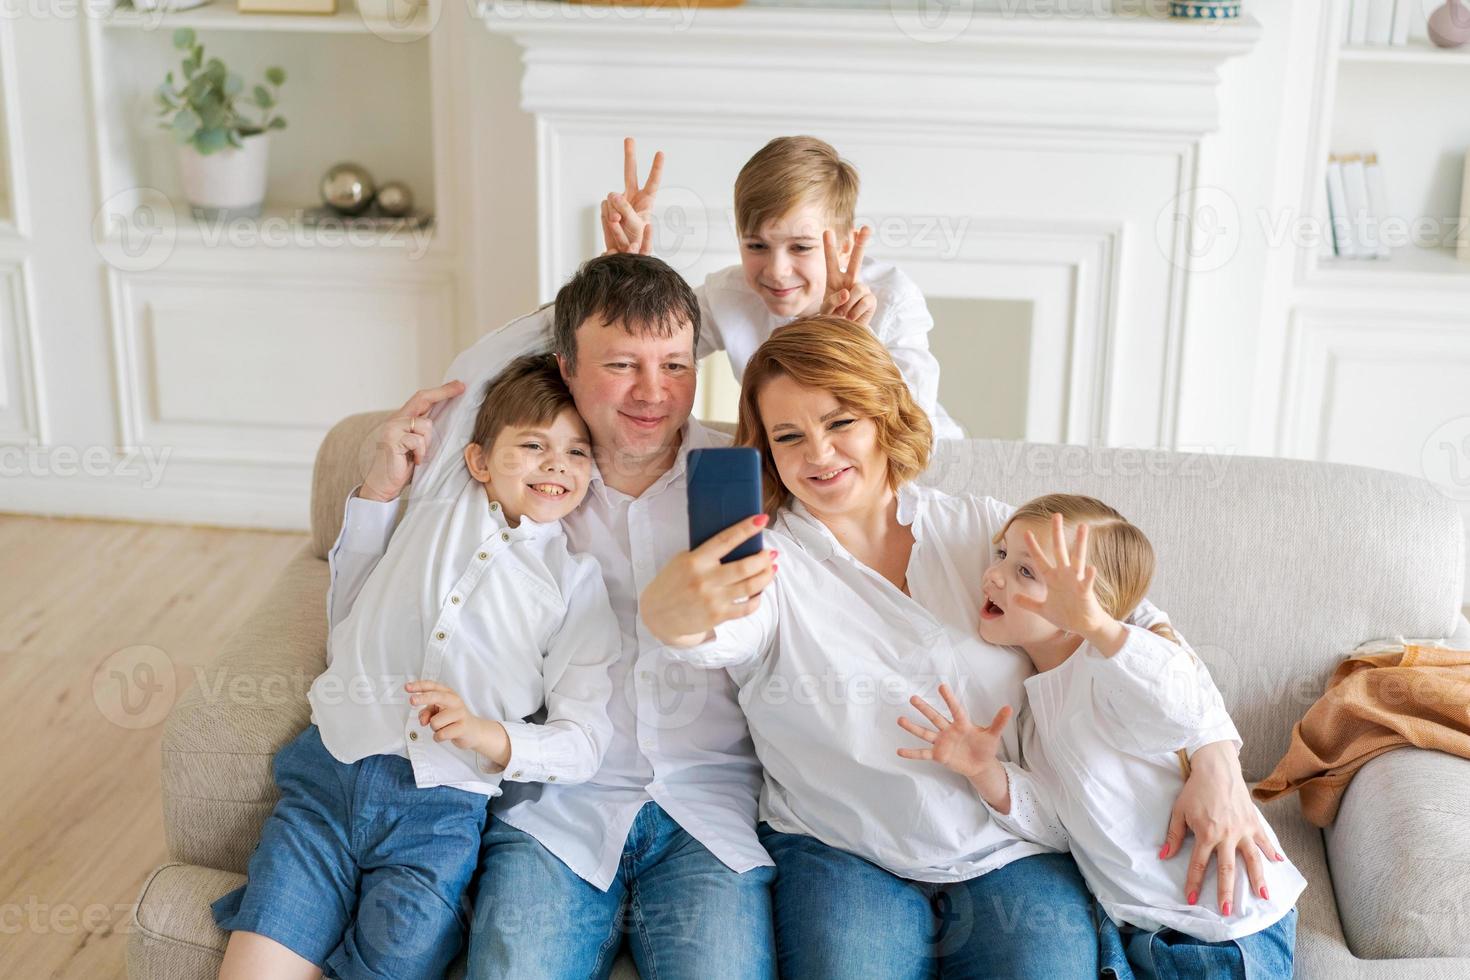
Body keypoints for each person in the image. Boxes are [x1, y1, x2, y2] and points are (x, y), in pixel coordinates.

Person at [639, 315, 1284, 979]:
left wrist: (1216, 760)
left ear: (883, 415)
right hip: (841, 848)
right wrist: (672, 617)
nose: (818, 455)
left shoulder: (979, 525)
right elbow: (718, 632)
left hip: (1005, 839)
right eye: (788, 436)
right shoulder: (770, 564)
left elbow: (1131, 617)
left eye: (839, 423)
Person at [326, 253, 779, 979]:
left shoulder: (743, 473)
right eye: (622, 364)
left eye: (675, 364)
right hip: (556, 810)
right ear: (564, 364)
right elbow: (382, 592)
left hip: (709, 808)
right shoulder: (521, 484)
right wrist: (599, 276)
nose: (653, 392)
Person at [213, 355, 619, 980]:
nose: (557, 463)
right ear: (478, 459)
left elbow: (584, 742)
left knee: (392, 964)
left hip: (440, 814)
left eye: (578, 452)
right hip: (330, 776)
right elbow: (487, 362)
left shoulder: (575, 582)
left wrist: (481, 731)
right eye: (533, 445)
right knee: (253, 968)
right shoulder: (442, 502)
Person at [900, 494, 1303, 979]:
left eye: (1026, 572)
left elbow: (1179, 706)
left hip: (1221, 927)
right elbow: (1056, 822)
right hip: (1134, 930)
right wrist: (986, 774)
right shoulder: (1032, 710)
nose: (994, 575)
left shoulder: (1115, 671)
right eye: (1002, 555)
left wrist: (1098, 627)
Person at [602, 135, 964, 438]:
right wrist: (628, 270)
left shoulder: (892, 300)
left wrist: (852, 346)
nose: (776, 271)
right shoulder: (727, 295)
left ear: (844, 246)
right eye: (756, 246)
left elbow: (915, 431)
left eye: (801, 247)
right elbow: (648, 348)